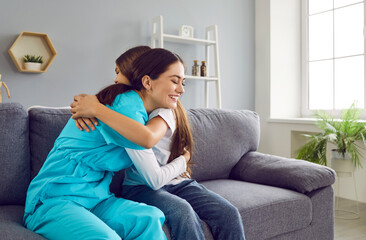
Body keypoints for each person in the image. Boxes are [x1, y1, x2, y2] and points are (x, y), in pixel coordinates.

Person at [72, 54, 246, 240]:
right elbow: (148, 157)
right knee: (183, 212)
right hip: (142, 187)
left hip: (177, 182)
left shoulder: (164, 111)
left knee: (228, 213)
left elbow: (147, 137)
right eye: (175, 81)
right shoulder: (130, 111)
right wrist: (89, 104)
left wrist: (95, 107)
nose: (116, 79)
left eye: (119, 72)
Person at [23, 47, 189, 240]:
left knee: (149, 218)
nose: (182, 89)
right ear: (147, 81)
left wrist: (93, 105)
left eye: (182, 82)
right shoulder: (125, 105)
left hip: (96, 199)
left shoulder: (142, 113)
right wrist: (184, 159)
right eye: (175, 81)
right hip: (54, 200)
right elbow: (147, 139)